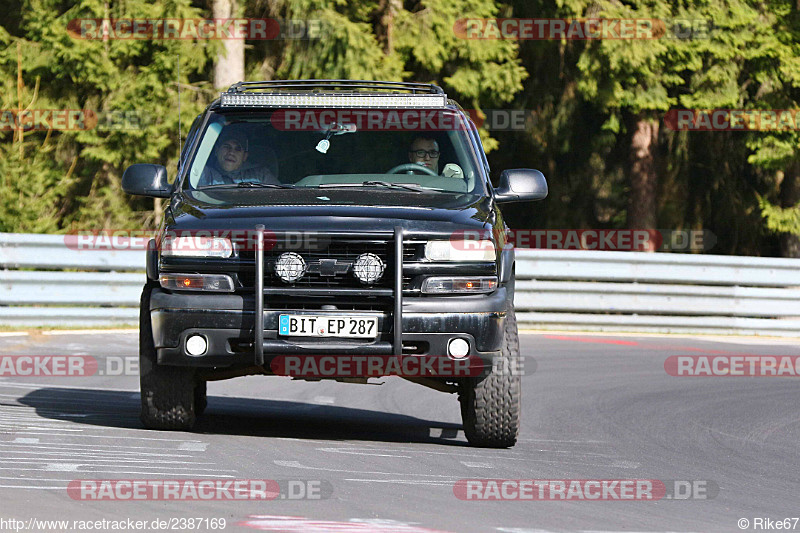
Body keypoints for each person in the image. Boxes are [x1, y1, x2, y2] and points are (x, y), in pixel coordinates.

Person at [198, 129, 278, 186]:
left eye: (238, 149)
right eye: (227, 146)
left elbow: (279, 197)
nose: (231, 152)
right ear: (216, 150)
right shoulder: (203, 174)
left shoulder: (260, 176)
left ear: (244, 156)